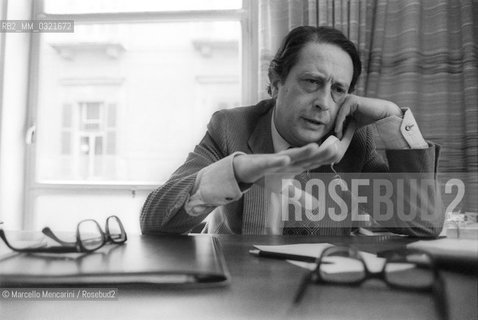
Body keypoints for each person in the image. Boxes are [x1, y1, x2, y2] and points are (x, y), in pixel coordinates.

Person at [140, 26, 443, 237]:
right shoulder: (229, 128)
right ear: (275, 80)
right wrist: (233, 173)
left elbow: (424, 223)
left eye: (338, 89)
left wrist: (392, 117)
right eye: (312, 81)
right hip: (240, 293)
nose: (324, 103)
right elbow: (154, 220)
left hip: (322, 295)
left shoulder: (354, 144)